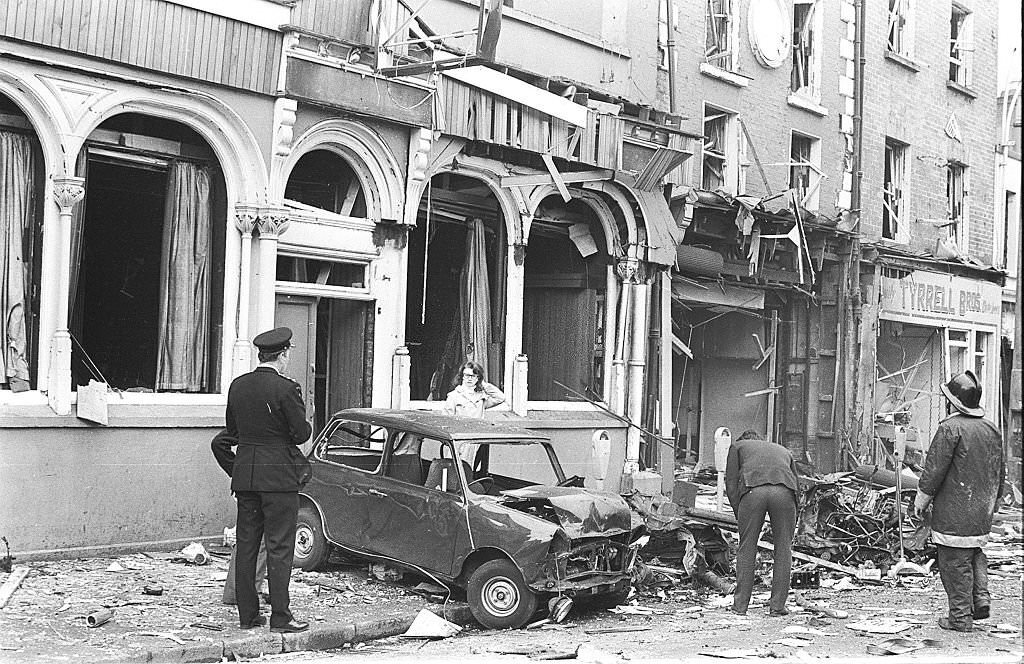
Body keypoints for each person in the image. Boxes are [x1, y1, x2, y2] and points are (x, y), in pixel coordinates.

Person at [225, 327, 312, 633]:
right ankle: (280, 617)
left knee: (247, 545)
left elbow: (232, 431)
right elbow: (301, 434)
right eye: (289, 354)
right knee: (279, 547)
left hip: (246, 475)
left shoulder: (237, 385)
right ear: (283, 354)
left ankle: (248, 617)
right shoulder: (287, 389)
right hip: (278, 478)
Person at [914, 370, 1005, 632]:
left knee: (954, 563)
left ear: (953, 402)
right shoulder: (991, 428)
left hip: (955, 510)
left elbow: (934, 469)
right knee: (975, 553)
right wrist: (995, 501)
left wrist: (922, 498)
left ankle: (960, 618)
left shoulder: (950, 428)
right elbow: (1000, 470)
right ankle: (980, 600)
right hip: (981, 509)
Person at [725, 429, 800, 617]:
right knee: (783, 549)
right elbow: (797, 485)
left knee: (747, 547)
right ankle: (777, 607)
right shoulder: (783, 450)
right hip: (785, 493)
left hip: (753, 492)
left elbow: (731, 483)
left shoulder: (737, 446)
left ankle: (740, 606)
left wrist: (738, 511)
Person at [210, 428, 268, 606]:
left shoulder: (247, 417)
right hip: (263, 484)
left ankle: (236, 593)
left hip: (248, 484)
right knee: (260, 542)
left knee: (248, 540)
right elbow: (219, 443)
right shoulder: (259, 419)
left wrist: (237, 472)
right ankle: (245, 594)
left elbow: (219, 443)